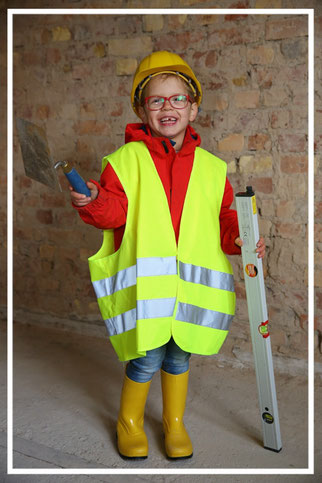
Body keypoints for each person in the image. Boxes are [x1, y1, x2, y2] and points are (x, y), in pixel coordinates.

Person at [70, 51, 265, 460]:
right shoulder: (124, 162)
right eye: (156, 100)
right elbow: (114, 211)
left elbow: (224, 221)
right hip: (149, 292)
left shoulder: (213, 169)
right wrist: (91, 200)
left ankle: (175, 424)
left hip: (190, 294)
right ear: (143, 109)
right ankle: (130, 423)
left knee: (179, 356)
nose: (167, 108)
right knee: (146, 360)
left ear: (193, 108)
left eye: (177, 99)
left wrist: (243, 239)